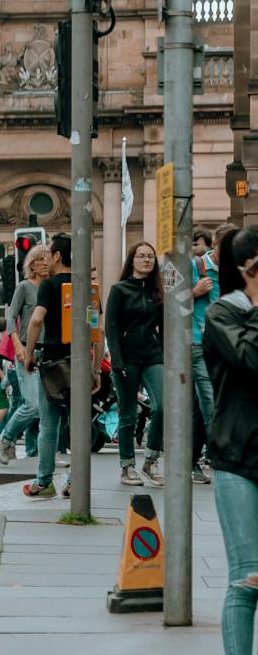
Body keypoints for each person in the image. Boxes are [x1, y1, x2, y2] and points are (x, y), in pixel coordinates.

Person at [202, 225, 258, 653]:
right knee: (247, 577)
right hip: (237, 458)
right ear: (248, 270)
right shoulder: (222, 314)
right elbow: (250, 360)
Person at [19, 234, 76, 499]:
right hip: (80, 360)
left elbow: (36, 320)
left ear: (57, 257)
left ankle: (43, 482)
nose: (45, 259)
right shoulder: (88, 284)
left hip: (53, 360)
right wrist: (96, 367)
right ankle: (76, 481)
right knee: (77, 423)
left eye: (48, 254)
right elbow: (96, 325)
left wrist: (28, 354)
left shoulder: (49, 286)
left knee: (49, 423)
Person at [106, 241, 165, 486]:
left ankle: (150, 460)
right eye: (141, 256)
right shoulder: (119, 290)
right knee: (128, 414)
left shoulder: (157, 291)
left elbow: (164, 328)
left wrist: (165, 354)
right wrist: (117, 360)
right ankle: (127, 466)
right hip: (126, 360)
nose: (146, 260)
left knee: (162, 406)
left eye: (150, 256)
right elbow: (111, 326)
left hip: (153, 356)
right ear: (132, 260)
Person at [0, 245, 51, 465]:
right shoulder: (24, 287)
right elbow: (10, 319)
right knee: (32, 405)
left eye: (49, 259)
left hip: (49, 352)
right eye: (41, 259)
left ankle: (44, 455)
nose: (46, 263)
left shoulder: (51, 287)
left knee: (46, 409)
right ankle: (5, 437)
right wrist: (18, 347)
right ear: (33, 265)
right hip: (27, 351)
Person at [193, 226, 221, 485]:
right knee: (210, 402)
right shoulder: (196, 266)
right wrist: (194, 292)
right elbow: (170, 301)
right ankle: (219, 456)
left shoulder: (237, 272)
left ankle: (193, 460)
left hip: (223, 346)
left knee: (200, 406)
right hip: (197, 344)